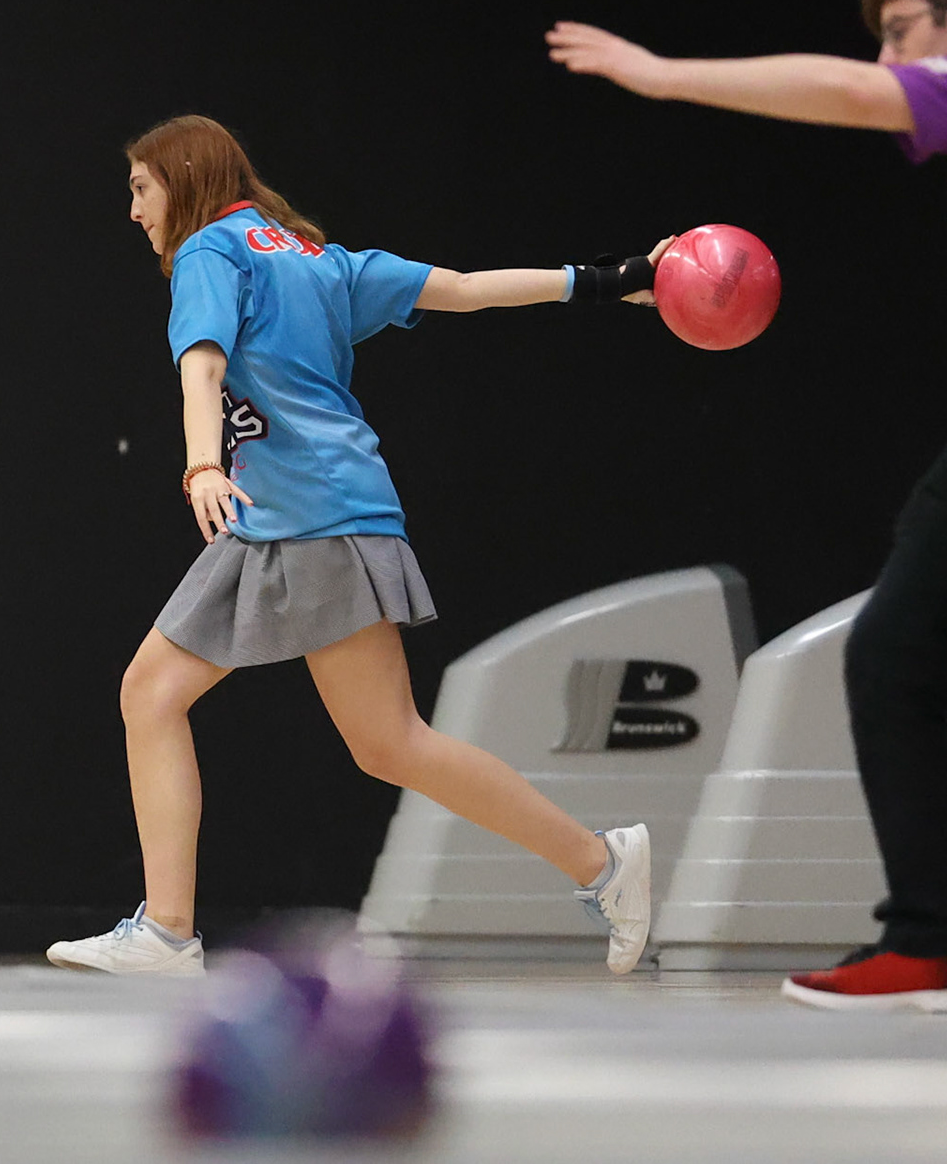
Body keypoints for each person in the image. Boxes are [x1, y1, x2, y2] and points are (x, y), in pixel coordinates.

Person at [549, 0, 947, 1012]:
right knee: (889, 660)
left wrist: (662, 77)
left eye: (903, 33)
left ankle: (933, 939)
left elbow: (847, 95)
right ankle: (931, 942)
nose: (892, 64)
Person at [45, 113, 668, 977]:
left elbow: (202, 365)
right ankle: (168, 931)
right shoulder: (319, 259)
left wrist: (198, 466)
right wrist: (609, 280)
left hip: (305, 517)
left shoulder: (209, 255)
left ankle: (601, 864)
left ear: (183, 179)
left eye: (140, 189)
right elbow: (467, 287)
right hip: (293, 512)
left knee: (378, 740)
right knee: (180, 700)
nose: (133, 210)